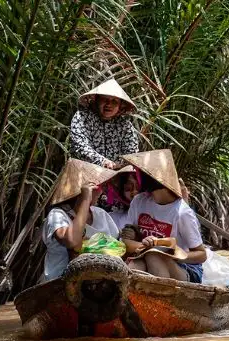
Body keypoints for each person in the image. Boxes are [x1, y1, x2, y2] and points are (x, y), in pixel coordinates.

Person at [119, 150, 207, 283]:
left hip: (185, 268)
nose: (138, 176)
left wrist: (171, 252)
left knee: (154, 255)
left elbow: (201, 255)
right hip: (145, 257)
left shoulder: (182, 213)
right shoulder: (139, 201)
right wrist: (146, 245)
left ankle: (163, 299)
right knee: (135, 265)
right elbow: (125, 241)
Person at [42, 159, 121, 281]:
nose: (102, 191)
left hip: (102, 280)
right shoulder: (58, 214)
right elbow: (72, 241)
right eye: (98, 186)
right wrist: (85, 199)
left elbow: (117, 244)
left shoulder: (100, 214)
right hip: (61, 282)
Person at [70, 79, 139, 170]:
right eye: (105, 99)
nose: (109, 104)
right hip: (85, 172)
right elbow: (79, 146)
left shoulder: (125, 125)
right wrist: (103, 162)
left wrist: (121, 168)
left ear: (120, 106)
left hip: (116, 175)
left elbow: (132, 154)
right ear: (96, 100)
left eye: (114, 101)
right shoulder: (83, 117)